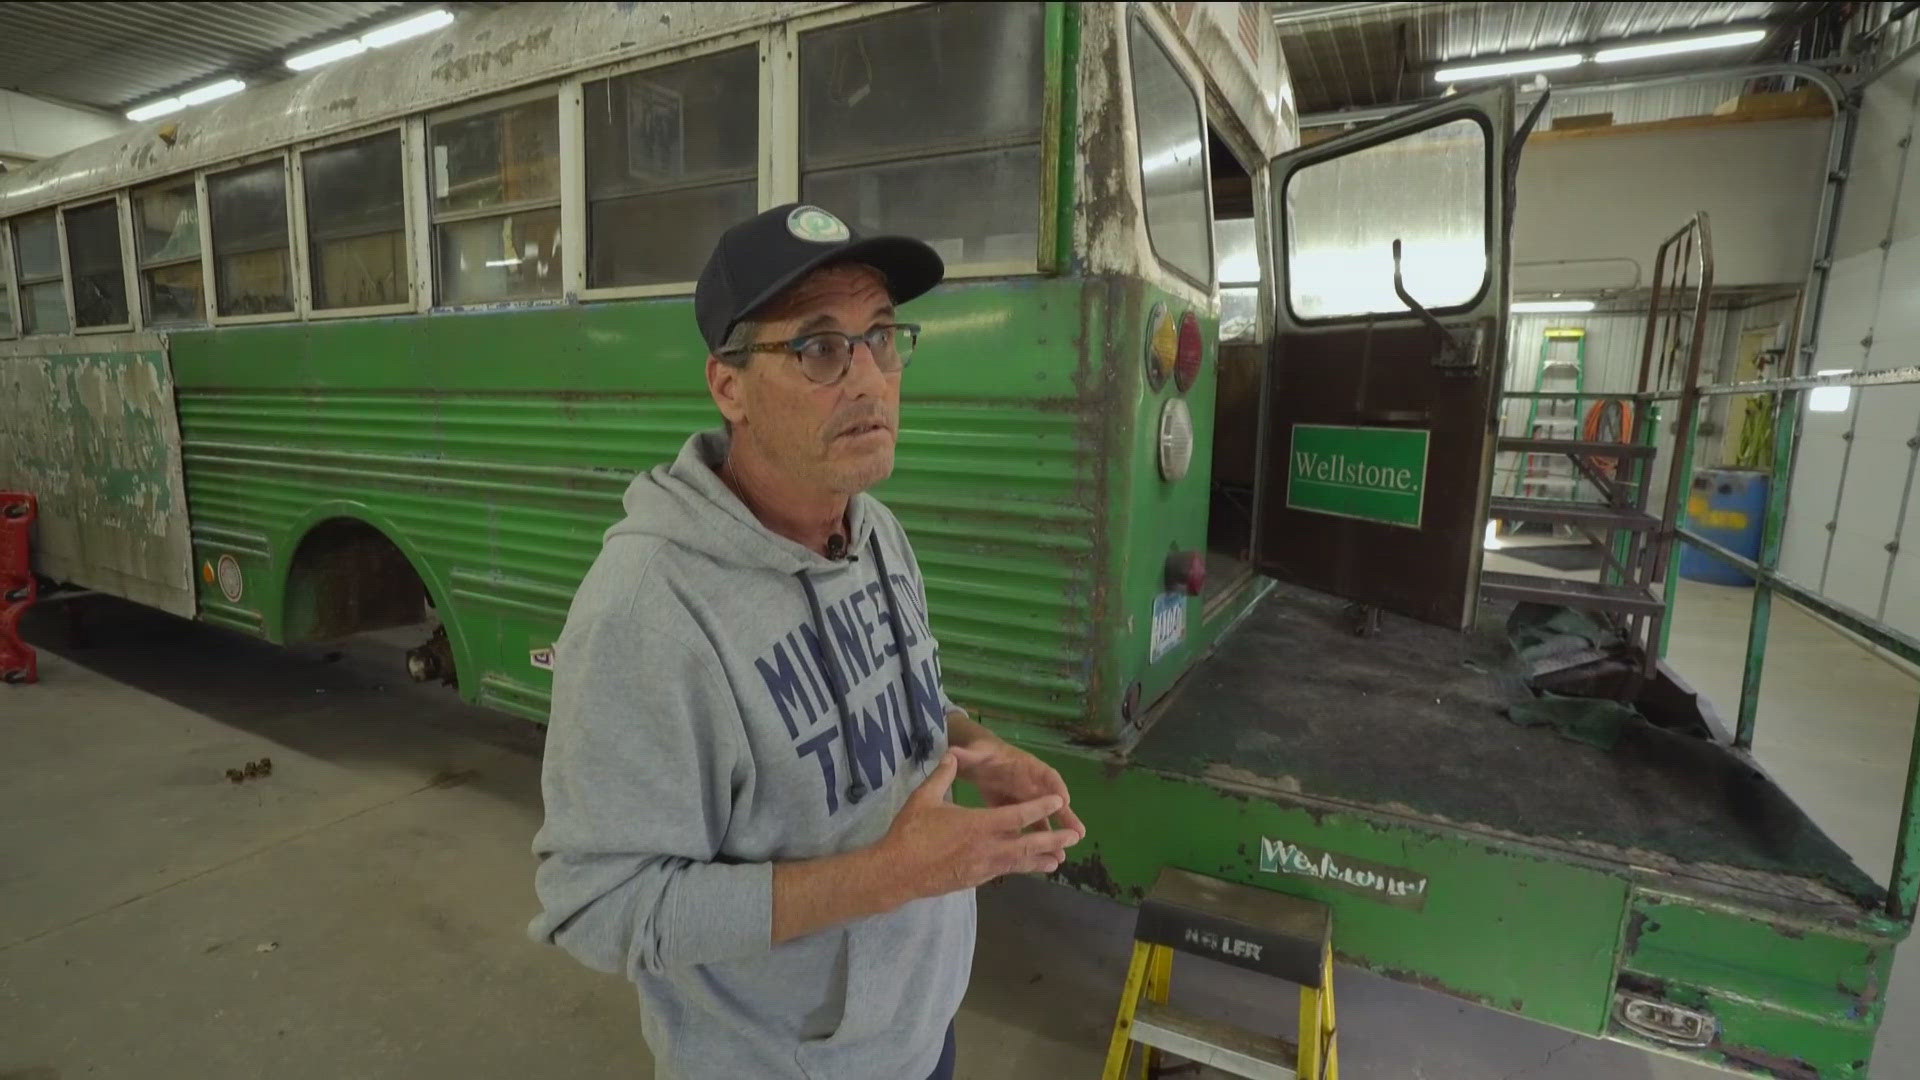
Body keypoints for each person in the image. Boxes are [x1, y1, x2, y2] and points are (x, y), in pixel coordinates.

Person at [528, 203, 1086, 1080]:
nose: (869, 379)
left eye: (881, 338)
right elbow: (597, 907)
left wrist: (976, 746)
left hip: (918, 1031)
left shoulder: (874, 529)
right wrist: (891, 876)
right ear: (730, 386)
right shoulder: (647, 613)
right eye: (820, 348)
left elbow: (887, 688)